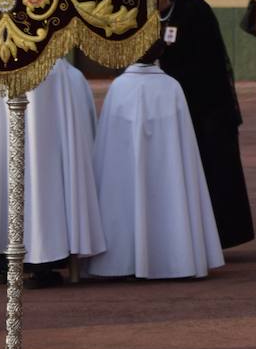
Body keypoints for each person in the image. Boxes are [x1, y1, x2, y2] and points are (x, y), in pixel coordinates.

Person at [0, 55, 106, 287]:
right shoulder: (62, 73)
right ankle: (40, 259)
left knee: (13, 168)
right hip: (39, 75)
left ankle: (4, 255)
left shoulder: (7, 64)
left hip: (19, 69)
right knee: (39, 174)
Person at [86, 53, 224, 280]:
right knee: (173, 191)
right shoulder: (171, 86)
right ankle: (176, 257)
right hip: (168, 165)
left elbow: (108, 140)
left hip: (125, 166)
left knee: (123, 194)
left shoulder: (120, 86)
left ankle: (122, 260)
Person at [157, 0, 255, 250]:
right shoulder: (161, 15)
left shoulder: (193, 12)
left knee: (213, 172)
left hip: (207, 108)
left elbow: (202, 65)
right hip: (183, 106)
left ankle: (219, 236)